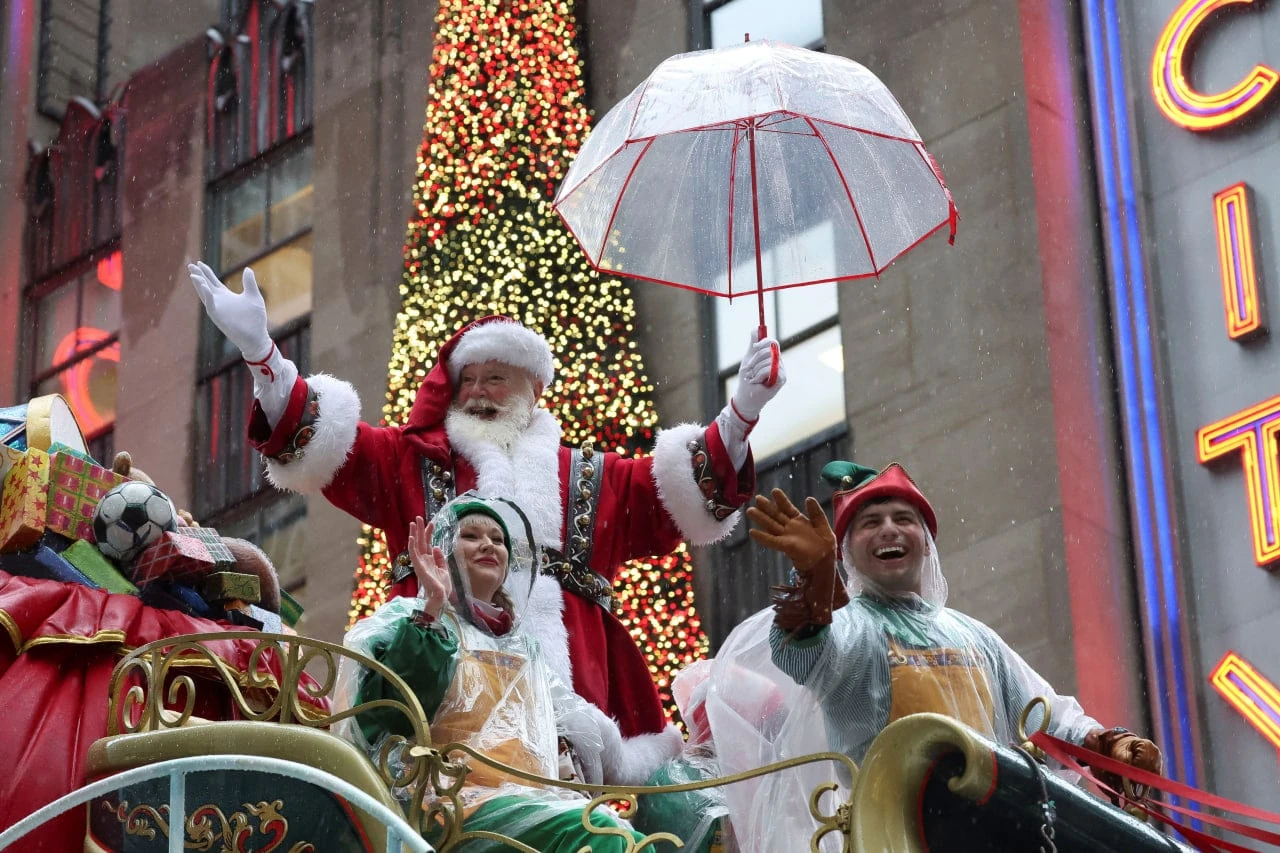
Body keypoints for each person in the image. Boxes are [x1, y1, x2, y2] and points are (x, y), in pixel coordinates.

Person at [187, 262, 784, 736]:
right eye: (466, 381)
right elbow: (323, 446)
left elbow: (675, 496)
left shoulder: (590, 476)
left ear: (535, 388)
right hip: (440, 688)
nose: (476, 392)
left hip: (580, 698)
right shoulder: (411, 461)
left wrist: (741, 414)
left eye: (495, 378)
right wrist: (264, 356)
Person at [748, 460, 1163, 791]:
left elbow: (1043, 715)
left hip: (984, 829)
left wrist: (1104, 745)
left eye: (903, 519)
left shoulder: (974, 636)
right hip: (891, 833)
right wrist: (815, 584)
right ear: (847, 552)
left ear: (927, 542)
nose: (889, 529)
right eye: (870, 522)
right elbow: (806, 657)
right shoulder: (852, 628)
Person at [336, 496, 682, 852]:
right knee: (611, 839)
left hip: (527, 804)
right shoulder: (413, 620)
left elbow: (566, 724)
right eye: (470, 536)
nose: (488, 544)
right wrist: (432, 612)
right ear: (442, 550)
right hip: (449, 807)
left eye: (498, 539)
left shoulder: (522, 648)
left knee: (636, 843)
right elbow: (388, 717)